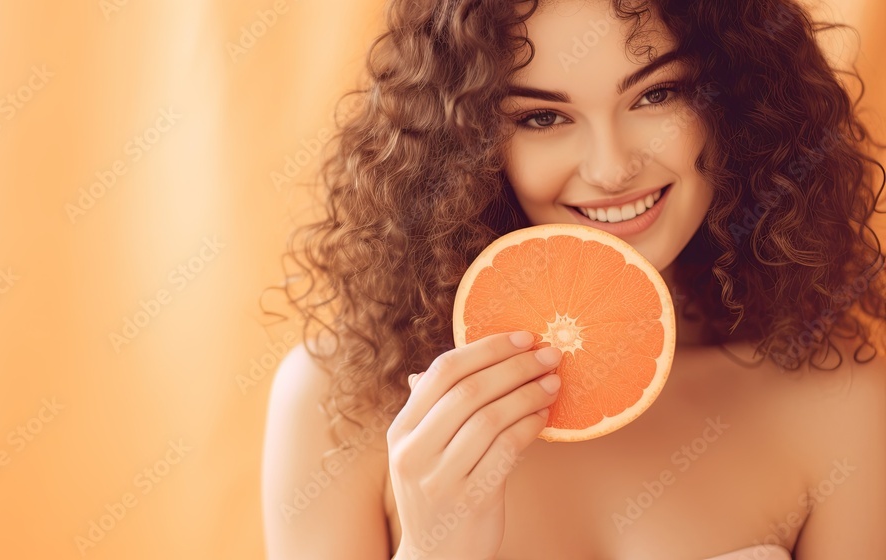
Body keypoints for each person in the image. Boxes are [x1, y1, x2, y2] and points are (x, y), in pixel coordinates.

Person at [261, 0, 886, 557]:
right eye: (541, 118)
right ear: (466, 146)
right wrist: (432, 549)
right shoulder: (335, 402)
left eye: (656, 94)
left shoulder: (844, 398)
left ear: (740, 101)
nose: (612, 168)